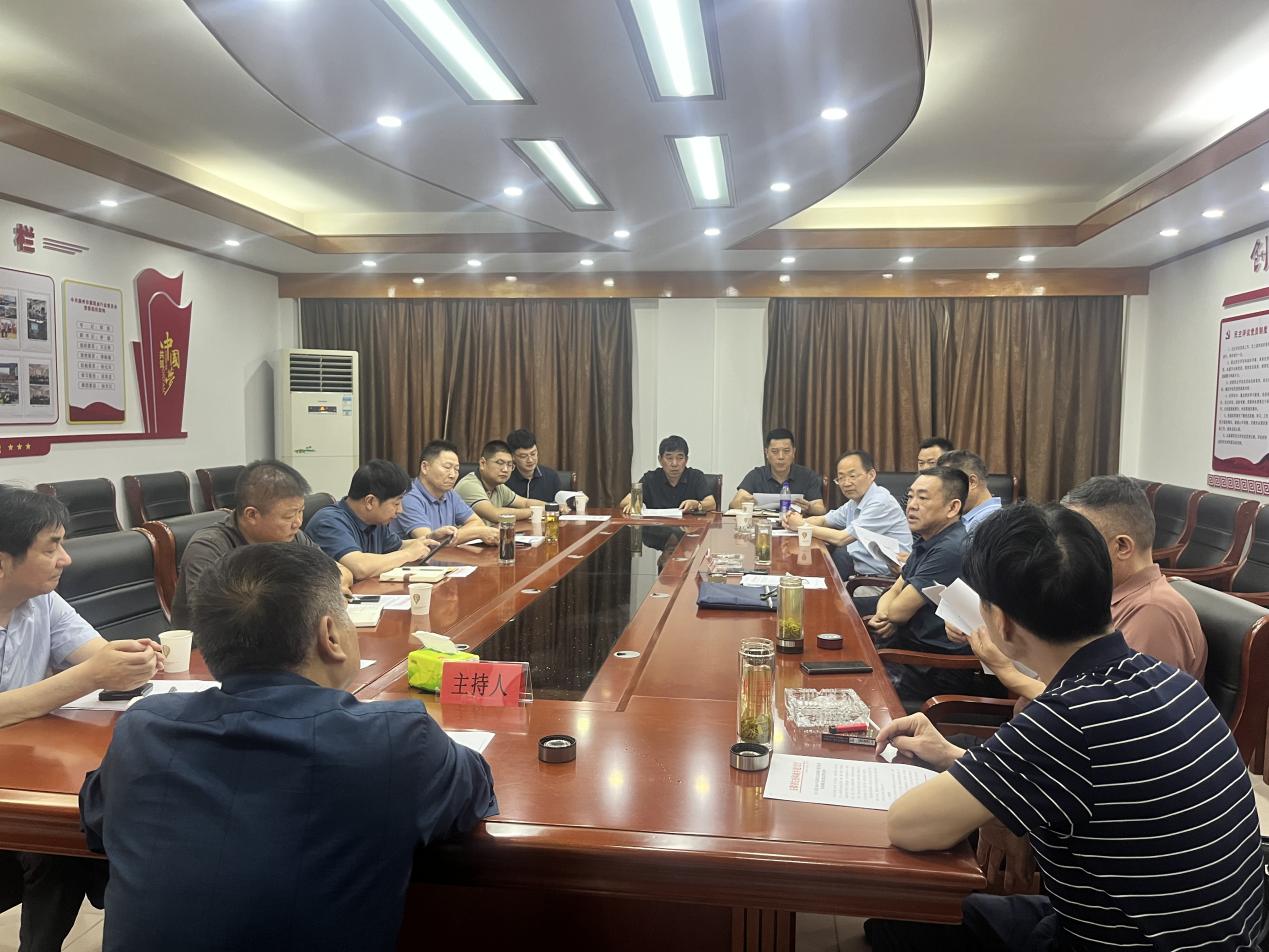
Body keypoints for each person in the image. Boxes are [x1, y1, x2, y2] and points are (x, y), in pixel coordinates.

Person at [868, 504, 1265, 951]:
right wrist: (953, 757)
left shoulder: (1066, 718)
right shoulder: (1166, 680)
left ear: (1000, 623)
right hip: (1215, 934)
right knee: (928, 917)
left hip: (1120, 941)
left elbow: (908, 826)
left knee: (902, 917)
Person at [80, 543, 498, 952]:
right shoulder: (398, 738)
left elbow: (97, 821)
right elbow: (474, 791)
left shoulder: (144, 730)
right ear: (330, 635)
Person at [0, 486, 163, 951]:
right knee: (68, 839)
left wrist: (131, 660)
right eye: (51, 547)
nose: (66, 559)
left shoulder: (41, 600)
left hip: (22, 769)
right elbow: (86, 674)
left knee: (86, 825)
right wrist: (91, 675)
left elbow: (95, 654)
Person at [962, 474, 1207, 701]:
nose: (1062, 546)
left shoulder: (1154, 612)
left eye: (1080, 536)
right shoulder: (1096, 597)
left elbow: (1111, 710)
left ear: (1122, 546)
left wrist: (1007, 672)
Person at [862, 467, 1000, 710]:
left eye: (923, 498)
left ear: (952, 508)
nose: (912, 505)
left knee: (855, 689)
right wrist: (887, 613)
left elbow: (897, 612)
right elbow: (894, 591)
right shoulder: (928, 538)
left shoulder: (950, 549)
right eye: (910, 496)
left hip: (934, 667)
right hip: (908, 651)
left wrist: (890, 615)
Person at [170, 460, 352, 627]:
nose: (298, 522)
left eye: (301, 511)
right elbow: (212, 619)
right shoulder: (208, 548)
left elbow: (339, 571)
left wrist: (335, 586)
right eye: (289, 516)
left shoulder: (292, 537)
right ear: (252, 515)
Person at [783, 450, 910, 579]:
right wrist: (791, 520)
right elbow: (824, 520)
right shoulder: (855, 501)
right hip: (863, 576)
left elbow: (841, 539)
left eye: (852, 476)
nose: (846, 483)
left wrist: (801, 525)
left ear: (871, 475)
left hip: (886, 581)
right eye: (841, 478)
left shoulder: (880, 502)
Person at [305, 459, 436, 581]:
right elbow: (360, 568)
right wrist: (408, 554)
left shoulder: (375, 521)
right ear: (370, 501)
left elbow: (398, 546)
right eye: (396, 503)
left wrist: (431, 539)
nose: (400, 510)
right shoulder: (328, 522)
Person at [394, 441, 496, 545]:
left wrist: (456, 535)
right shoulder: (408, 497)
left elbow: (476, 522)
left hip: (445, 554)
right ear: (425, 467)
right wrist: (478, 533)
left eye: (456, 469)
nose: (453, 475)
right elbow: (429, 542)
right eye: (447, 467)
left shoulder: (449, 493)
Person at [729, 428, 826, 515]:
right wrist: (743, 502)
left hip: (795, 525)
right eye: (775, 451)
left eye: (786, 451)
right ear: (767, 453)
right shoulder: (756, 475)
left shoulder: (807, 475)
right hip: (763, 526)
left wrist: (810, 508)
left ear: (793, 452)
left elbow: (821, 509)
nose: (781, 457)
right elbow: (733, 504)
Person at [620, 435, 716, 514]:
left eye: (680, 458)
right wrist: (635, 504)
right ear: (660, 460)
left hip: (688, 529)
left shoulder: (695, 476)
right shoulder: (650, 478)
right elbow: (624, 502)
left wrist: (697, 504)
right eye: (669, 458)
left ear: (686, 460)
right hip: (656, 529)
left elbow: (712, 503)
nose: (674, 464)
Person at [455, 440, 536, 525]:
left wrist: (546, 507)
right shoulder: (469, 485)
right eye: (500, 463)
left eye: (509, 465)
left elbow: (525, 503)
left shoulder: (498, 486)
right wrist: (534, 511)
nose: (505, 469)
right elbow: (495, 515)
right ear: (482, 463)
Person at [937, 449, 1001, 536]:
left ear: (972, 482)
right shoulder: (967, 519)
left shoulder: (990, 524)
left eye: (948, 485)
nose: (944, 493)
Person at [504, 429, 569, 509]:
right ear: (512, 457)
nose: (530, 460)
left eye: (533, 454)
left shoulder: (551, 477)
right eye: (523, 456)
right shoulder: (505, 479)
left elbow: (561, 506)